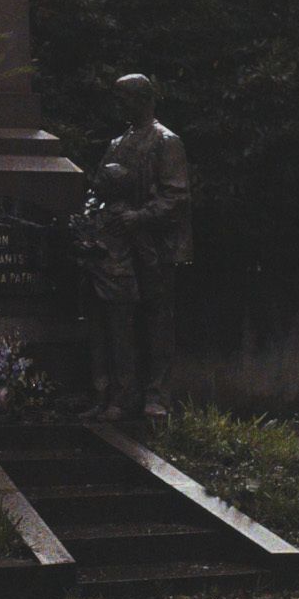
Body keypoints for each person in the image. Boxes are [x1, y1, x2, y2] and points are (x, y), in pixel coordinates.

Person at [96, 73, 190, 418]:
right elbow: (100, 190)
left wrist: (139, 217)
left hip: (155, 247)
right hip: (120, 248)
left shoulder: (166, 141)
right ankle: (122, 396)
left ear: (143, 99)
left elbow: (176, 197)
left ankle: (156, 397)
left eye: (124, 98)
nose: (119, 105)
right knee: (120, 320)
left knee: (156, 320)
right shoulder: (117, 142)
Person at [70, 161, 141, 420]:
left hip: (118, 285)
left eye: (102, 179)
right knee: (99, 343)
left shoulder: (127, 217)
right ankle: (100, 397)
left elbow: (142, 253)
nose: (96, 183)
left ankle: (121, 401)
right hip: (96, 282)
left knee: (120, 345)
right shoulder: (98, 212)